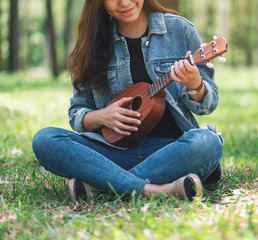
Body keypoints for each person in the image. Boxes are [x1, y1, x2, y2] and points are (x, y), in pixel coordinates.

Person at [32, 0, 223, 201]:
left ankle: (102, 185)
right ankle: (155, 189)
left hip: (170, 151)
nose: (124, 2)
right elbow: (77, 113)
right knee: (45, 139)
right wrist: (102, 116)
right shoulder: (92, 42)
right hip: (111, 153)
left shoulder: (181, 30)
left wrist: (195, 84)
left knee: (207, 141)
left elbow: (208, 105)